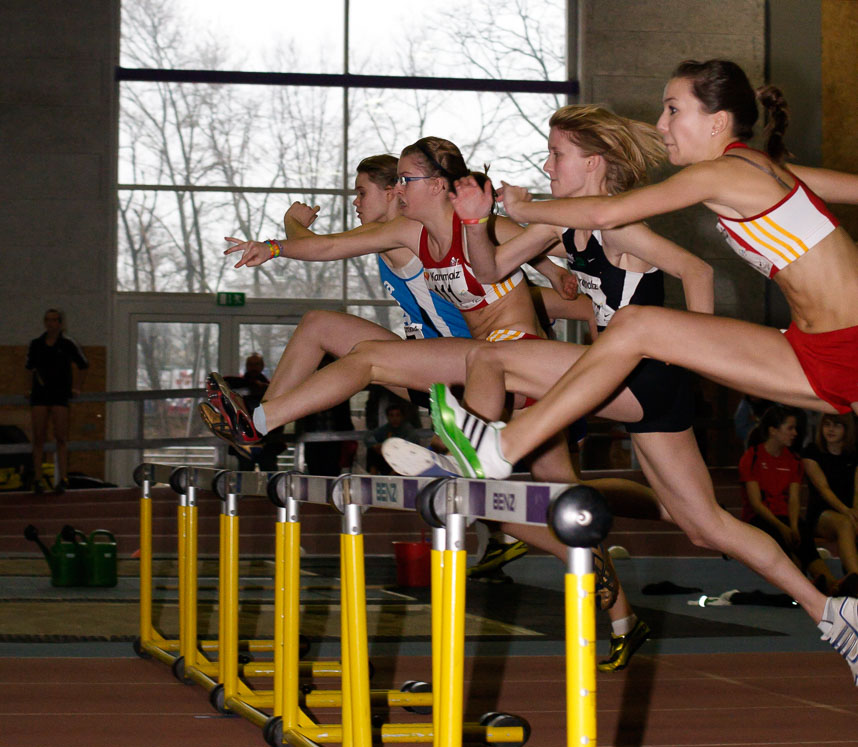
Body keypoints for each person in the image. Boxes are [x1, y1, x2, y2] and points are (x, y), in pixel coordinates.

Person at [425, 59, 858, 685]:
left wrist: (525, 202)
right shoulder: (748, 169)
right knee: (702, 524)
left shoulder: (726, 173)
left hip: (842, 347)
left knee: (635, 326)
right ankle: (833, 614)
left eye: (673, 109)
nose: (662, 125)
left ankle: (505, 446)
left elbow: (604, 214)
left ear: (716, 121)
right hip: (810, 346)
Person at [203, 138, 660, 659]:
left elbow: (570, 253)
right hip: (474, 366)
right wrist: (275, 247)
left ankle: (621, 586)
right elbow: (328, 247)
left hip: (520, 369)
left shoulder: (486, 228)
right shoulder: (409, 233)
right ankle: (258, 424)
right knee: (517, 500)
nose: (397, 191)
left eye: (403, 181)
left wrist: (576, 270)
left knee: (555, 498)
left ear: (438, 186)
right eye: (393, 182)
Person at [738, 405, 835, 593]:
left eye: (795, 428)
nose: (795, 433)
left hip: (786, 517)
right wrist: (783, 527)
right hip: (760, 519)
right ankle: (805, 585)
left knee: (806, 545)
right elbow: (755, 504)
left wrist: (793, 525)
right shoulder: (752, 458)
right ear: (773, 430)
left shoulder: (793, 461)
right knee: (787, 550)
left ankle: (833, 585)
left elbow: (794, 500)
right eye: (790, 428)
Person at [25, 308, 88, 494]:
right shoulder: (36, 344)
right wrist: (29, 389)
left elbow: (83, 366)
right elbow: (29, 368)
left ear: (60, 323)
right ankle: (37, 479)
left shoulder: (68, 344)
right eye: (47, 320)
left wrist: (77, 387)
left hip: (60, 394)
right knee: (38, 438)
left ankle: (63, 478)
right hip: (40, 394)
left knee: (61, 437)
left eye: (53, 320)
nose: (50, 323)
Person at [802, 412, 858, 593]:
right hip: (821, 514)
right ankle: (855, 576)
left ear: (846, 429)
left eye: (837, 425)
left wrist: (855, 511)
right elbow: (823, 489)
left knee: (850, 522)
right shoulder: (812, 452)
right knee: (845, 523)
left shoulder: (854, 453)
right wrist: (847, 511)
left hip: (849, 511)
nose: (831, 429)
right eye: (827, 424)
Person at [367, 401, 419, 474]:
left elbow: (412, 443)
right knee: (371, 451)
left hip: (404, 462)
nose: (394, 418)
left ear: (402, 417)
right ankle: (372, 476)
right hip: (388, 460)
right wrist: (376, 445)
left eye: (397, 415)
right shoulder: (386, 428)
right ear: (387, 417)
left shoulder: (407, 429)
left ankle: (394, 474)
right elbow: (369, 437)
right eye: (391, 416)